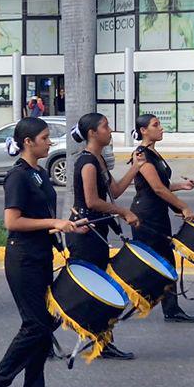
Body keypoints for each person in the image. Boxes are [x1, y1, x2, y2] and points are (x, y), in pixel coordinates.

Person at [0, 117, 87, 387]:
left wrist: (66, 227)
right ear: (28, 142)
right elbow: (12, 221)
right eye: (44, 138)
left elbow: (42, 217)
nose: (49, 142)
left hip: (41, 255)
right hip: (23, 258)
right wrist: (54, 222)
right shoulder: (17, 176)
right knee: (36, 324)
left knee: (46, 323)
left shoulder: (39, 173)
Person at [66, 112, 142, 359]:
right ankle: (45, 335)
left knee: (95, 290)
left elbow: (115, 191)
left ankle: (102, 343)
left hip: (96, 232)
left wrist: (135, 167)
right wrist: (123, 212)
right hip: (85, 233)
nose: (110, 131)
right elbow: (92, 201)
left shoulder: (98, 160)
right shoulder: (87, 162)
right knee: (89, 292)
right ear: (92, 133)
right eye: (106, 127)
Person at [131, 113, 194, 323]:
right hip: (146, 216)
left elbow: (162, 185)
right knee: (152, 263)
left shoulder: (154, 153)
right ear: (143, 130)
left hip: (157, 213)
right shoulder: (141, 155)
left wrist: (182, 186)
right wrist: (183, 207)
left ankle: (171, 309)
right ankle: (120, 300)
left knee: (164, 262)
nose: (161, 128)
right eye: (156, 125)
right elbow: (158, 189)